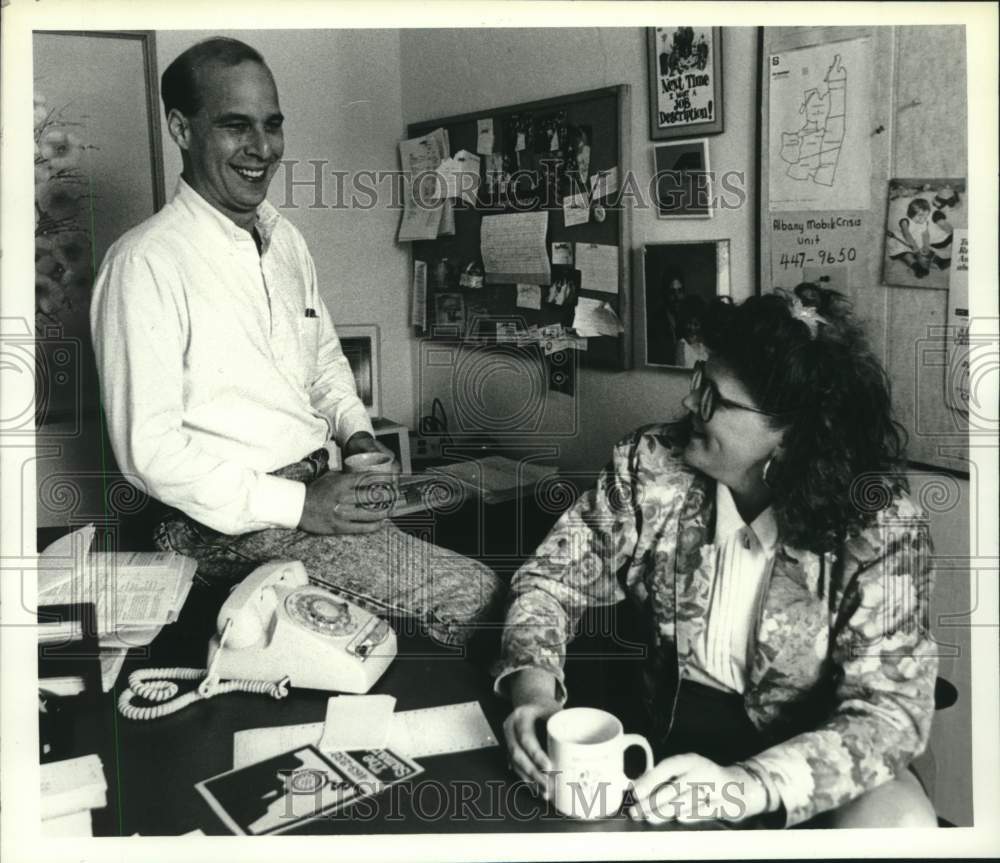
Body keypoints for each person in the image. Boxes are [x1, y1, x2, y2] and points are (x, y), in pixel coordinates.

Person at [90, 37, 500, 647]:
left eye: (272, 125)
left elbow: (324, 363)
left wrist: (356, 433)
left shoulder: (285, 241)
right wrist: (300, 505)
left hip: (319, 494)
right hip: (218, 529)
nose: (262, 149)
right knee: (473, 600)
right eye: (236, 127)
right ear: (181, 127)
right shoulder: (144, 262)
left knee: (486, 578)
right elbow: (149, 453)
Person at [496, 283, 939, 828]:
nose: (688, 404)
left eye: (713, 397)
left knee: (902, 821)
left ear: (793, 434)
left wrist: (746, 786)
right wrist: (533, 688)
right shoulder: (650, 465)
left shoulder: (881, 528)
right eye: (697, 382)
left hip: (804, 774)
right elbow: (549, 580)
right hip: (666, 752)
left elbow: (890, 715)